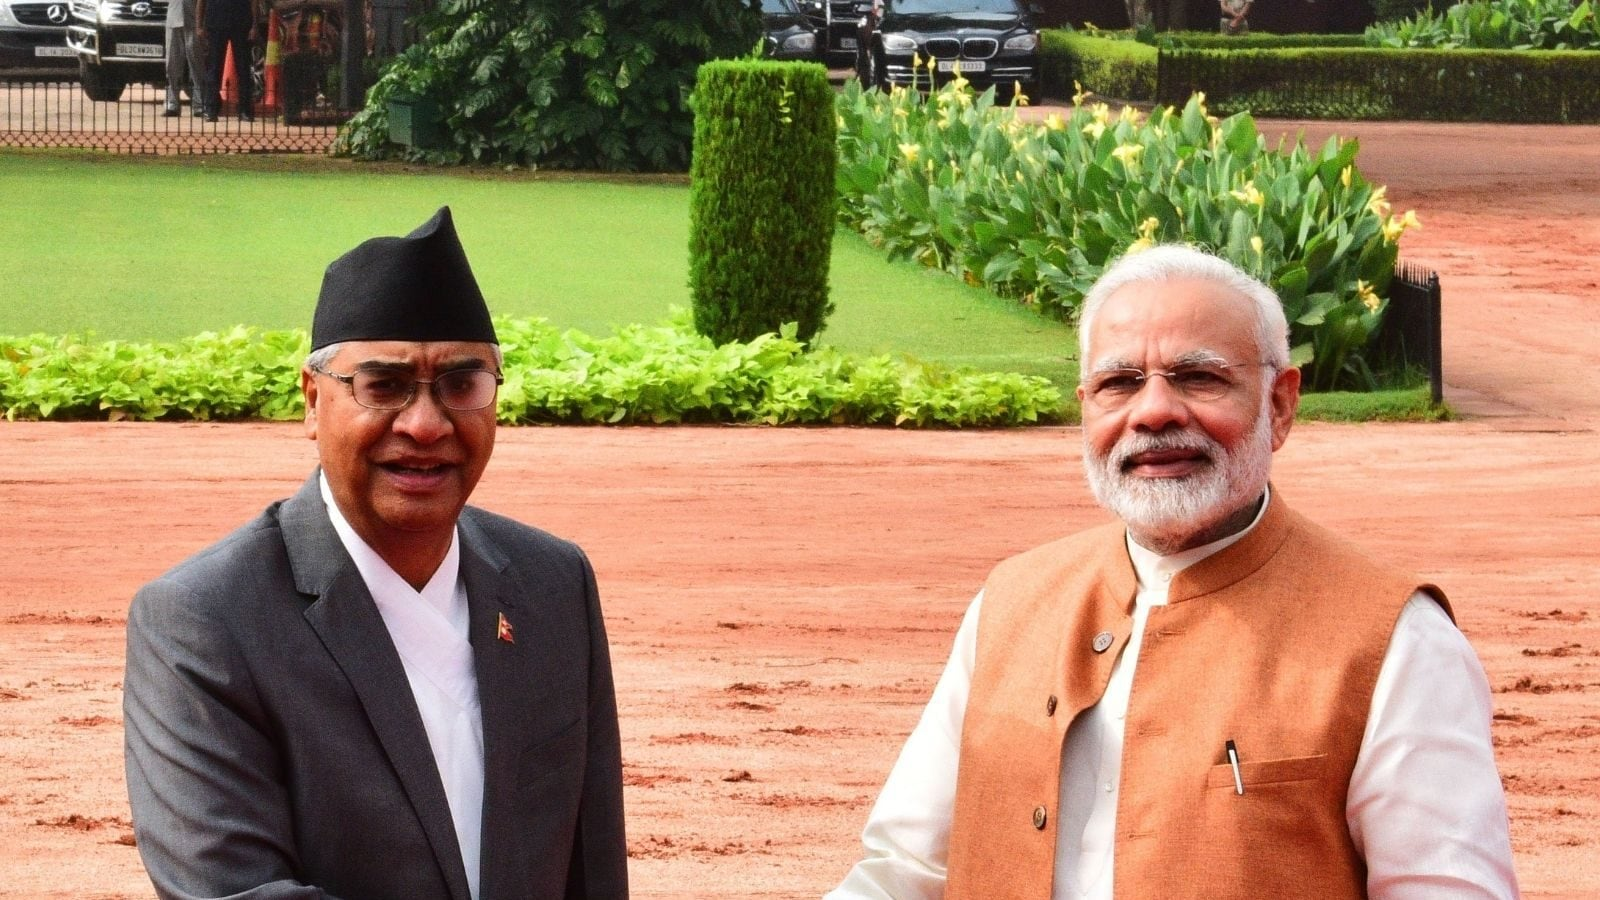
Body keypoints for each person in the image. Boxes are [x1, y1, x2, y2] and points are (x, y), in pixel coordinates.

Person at [827, 244, 1518, 899]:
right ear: (1086, 406)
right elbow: (905, 868)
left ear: (1279, 404)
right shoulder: (1011, 603)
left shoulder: (1394, 642)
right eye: (1119, 383)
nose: (1153, 411)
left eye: (1200, 377)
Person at [123, 207, 629, 899]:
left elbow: (591, 868)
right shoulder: (209, 619)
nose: (425, 425)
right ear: (311, 400)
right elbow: (233, 892)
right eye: (383, 386)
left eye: (462, 384)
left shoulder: (551, 583)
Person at [194, 0, 254, 121]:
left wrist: (254, 26)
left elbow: (254, 2)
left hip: (241, 23)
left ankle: (244, 109)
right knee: (214, 67)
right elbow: (201, 2)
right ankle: (211, 109)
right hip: (216, 22)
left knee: (243, 68)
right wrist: (199, 26)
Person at [162, 0, 204, 117]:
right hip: (173, 18)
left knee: (196, 63)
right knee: (172, 63)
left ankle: (200, 104)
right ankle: (172, 103)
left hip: (194, 20)